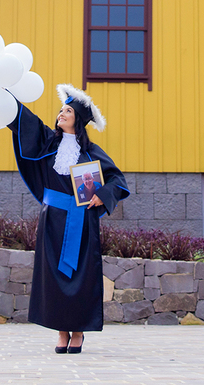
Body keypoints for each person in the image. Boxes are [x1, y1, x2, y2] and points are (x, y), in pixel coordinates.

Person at [7, 83, 129, 354]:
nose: (61, 113)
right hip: (52, 221)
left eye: (68, 110)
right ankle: (61, 332)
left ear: (79, 119)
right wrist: (6, 98)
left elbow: (117, 180)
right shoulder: (49, 142)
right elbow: (25, 122)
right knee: (54, 277)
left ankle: (78, 333)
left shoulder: (91, 151)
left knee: (80, 277)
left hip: (82, 222)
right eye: (61, 109)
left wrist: (103, 195)